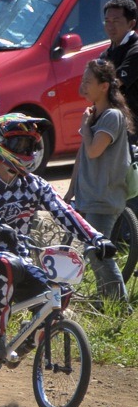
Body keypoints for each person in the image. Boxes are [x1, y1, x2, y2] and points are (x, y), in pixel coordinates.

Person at [0, 114, 115, 363]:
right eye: (20, 145)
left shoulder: (34, 185)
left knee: (59, 293)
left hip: (18, 261)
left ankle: (29, 338)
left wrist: (96, 238)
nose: (26, 151)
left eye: (30, 146)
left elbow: (63, 211)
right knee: (6, 264)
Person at [65, 59, 131, 301]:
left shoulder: (112, 116)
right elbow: (82, 157)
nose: (83, 86)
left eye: (88, 82)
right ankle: (108, 300)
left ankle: (120, 306)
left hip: (104, 197)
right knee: (95, 251)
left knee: (98, 253)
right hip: (89, 196)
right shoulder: (95, 115)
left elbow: (94, 150)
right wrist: (71, 191)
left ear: (104, 86)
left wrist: (85, 125)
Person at [98, 0, 138, 138]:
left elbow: (115, 83)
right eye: (107, 21)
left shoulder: (135, 50)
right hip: (116, 124)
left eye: (116, 21)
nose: (110, 26)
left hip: (133, 126)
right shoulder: (105, 54)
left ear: (131, 24)